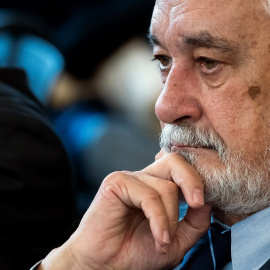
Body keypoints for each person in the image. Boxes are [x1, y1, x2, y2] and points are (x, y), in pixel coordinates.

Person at [33, 0, 270, 269]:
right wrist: (75, 263)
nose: (164, 106)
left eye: (208, 62)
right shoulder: (144, 237)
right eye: (163, 60)